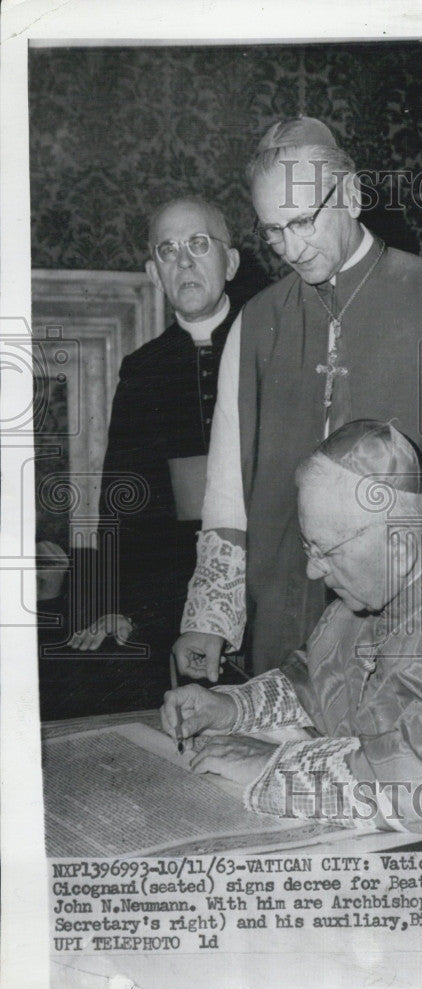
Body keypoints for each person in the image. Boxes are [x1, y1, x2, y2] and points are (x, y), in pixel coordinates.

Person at [172, 117, 422, 682]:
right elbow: (227, 492)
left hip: (410, 624)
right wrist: (210, 618)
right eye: (272, 231)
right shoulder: (257, 323)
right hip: (283, 607)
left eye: (303, 221)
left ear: (353, 195)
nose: (290, 247)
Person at [162, 420, 422, 851]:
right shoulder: (388, 574)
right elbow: (323, 675)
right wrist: (233, 707)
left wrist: (274, 768)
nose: (313, 570)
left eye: (325, 551)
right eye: (308, 547)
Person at [69, 197, 240, 690]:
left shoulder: (270, 342)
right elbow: (123, 500)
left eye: (199, 244)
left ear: (228, 262)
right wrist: (118, 605)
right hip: (176, 589)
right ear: (153, 272)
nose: (183, 260)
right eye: (168, 250)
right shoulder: (143, 369)